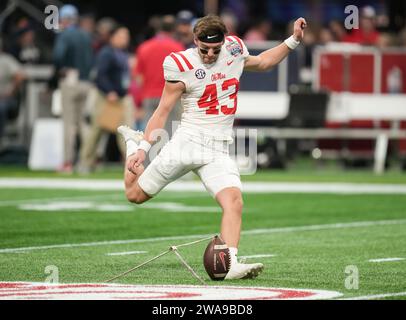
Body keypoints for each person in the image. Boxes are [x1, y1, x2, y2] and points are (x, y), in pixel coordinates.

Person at [117, 15, 306, 280]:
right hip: (187, 144)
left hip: (217, 149)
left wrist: (293, 40)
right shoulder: (180, 64)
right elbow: (162, 112)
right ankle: (131, 142)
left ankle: (230, 263)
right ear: (195, 41)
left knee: (234, 202)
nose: (209, 54)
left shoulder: (234, 50)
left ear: (224, 42)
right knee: (134, 195)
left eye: (215, 49)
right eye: (204, 49)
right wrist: (143, 149)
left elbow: (263, 62)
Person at [79, 25, 134, 173]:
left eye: (126, 36)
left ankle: (131, 163)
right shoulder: (107, 53)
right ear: (113, 37)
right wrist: (109, 91)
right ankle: (85, 162)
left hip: (121, 98)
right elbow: (99, 75)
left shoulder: (122, 53)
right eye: (122, 36)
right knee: (96, 131)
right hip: (106, 98)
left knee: (126, 132)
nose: (125, 39)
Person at [53, 4, 94, 173]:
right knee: (83, 123)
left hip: (70, 79)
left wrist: (58, 70)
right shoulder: (85, 35)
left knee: (69, 123)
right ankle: (87, 161)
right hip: (86, 81)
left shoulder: (65, 35)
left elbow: (58, 56)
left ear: (64, 19)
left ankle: (68, 162)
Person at [133, 15, 185, 140]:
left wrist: (142, 94)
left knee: (150, 134)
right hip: (172, 96)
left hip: (150, 96)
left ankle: (150, 159)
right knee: (172, 132)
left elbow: (138, 76)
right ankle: (171, 159)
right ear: (173, 30)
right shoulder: (178, 48)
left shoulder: (144, 47)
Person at [0, 37, 25, 145]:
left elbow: (20, 76)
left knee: (0, 107)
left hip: (6, 99)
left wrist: (10, 92)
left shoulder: (6, 59)